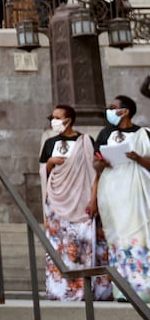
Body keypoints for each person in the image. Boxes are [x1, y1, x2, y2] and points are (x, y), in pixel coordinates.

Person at [39, 105, 110, 301]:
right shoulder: (50, 143)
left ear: (69, 120)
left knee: (81, 247)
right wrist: (51, 162)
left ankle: (82, 290)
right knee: (58, 248)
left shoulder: (85, 141)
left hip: (81, 202)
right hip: (56, 203)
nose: (54, 121)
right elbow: (44, 173)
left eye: (57, 117)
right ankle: (58, 290)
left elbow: (95, 172)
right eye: (52, 117)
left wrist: (93, 199)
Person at [92, 95, 150, 302]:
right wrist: (101, 163)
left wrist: (138, 158)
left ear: (124, 111)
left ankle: (144, 289)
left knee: (141, 235)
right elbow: (95, 163)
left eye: (112, 107)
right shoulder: (106, 133)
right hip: (113, 192)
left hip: (138, 193)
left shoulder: (144, 134)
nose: (109, 111)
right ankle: (123, 290)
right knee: (118, 238)